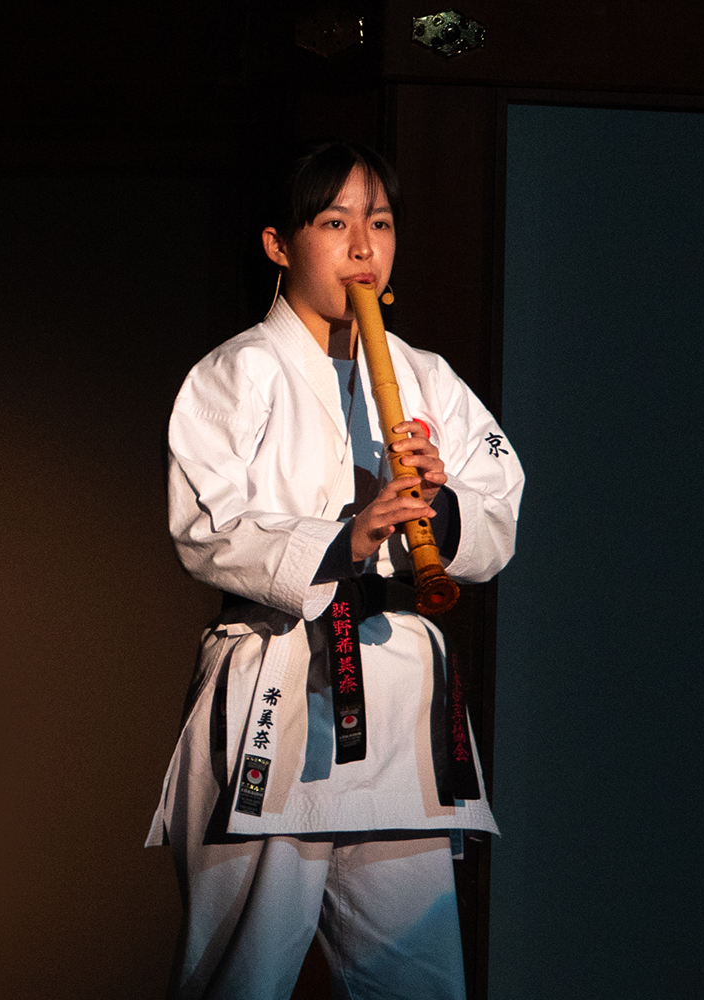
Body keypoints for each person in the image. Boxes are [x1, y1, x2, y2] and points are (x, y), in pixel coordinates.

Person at [145, 140, 523, 1000]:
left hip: (395, 691)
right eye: (334, 222)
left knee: (421, 981)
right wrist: (346, 539)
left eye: (380, 224)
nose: (363, 247)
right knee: (240, 977)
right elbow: (207, 528)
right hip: (279, 678)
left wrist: (441, 508)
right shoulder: (236, 372)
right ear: (280, 245)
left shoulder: (426, 378)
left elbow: (502, 504)